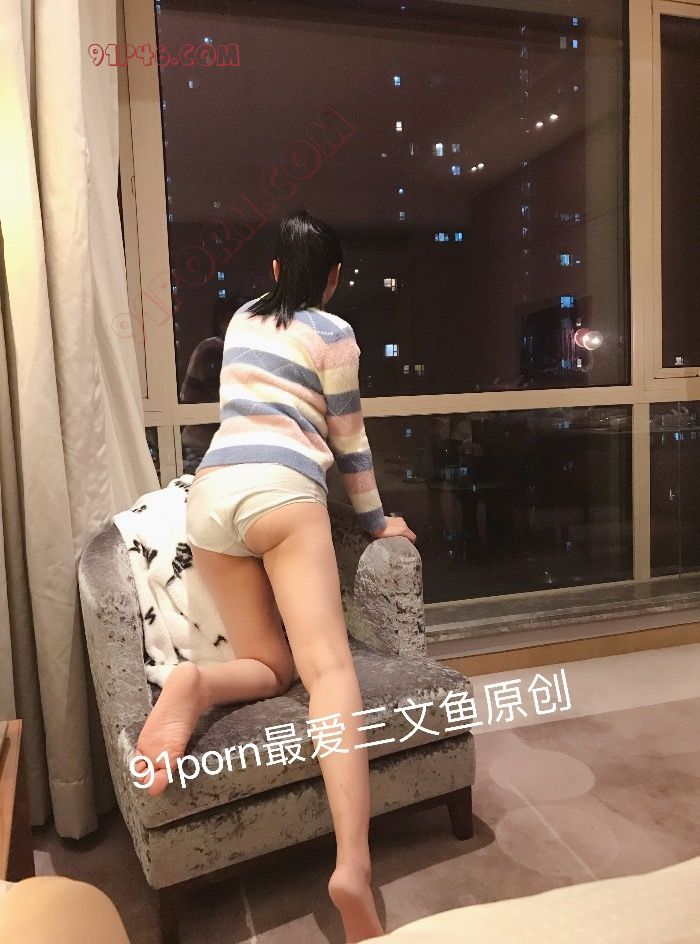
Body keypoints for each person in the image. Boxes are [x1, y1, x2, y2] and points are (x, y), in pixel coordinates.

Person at [134, 208, 416, 943]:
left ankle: (194, 685)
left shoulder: (241, 320)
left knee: (271, 665)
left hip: (211, 495)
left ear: (273, 271)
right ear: (334, 277)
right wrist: (377, 521)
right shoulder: (334, 332)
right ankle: (352, 865)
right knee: (330, 673)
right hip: (281, 490)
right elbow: (349, 440)